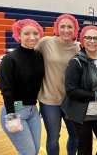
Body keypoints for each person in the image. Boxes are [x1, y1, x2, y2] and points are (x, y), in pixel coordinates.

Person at [62, 25, 97, 155]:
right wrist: (96, 96)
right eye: (88, 38)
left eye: (96, 38)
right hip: (82, 114)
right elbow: (71, 91)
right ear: (82, 40)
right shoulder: (76, 62)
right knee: (85, 149)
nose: (92, 41)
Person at [0, 19, 45, 154]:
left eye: (35, 33)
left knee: (34, 150)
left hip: (32, 111)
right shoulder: (10, 59)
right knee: (28, 152)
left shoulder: (39, 56)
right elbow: (6, 90)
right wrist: (11, 116)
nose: (32, 37)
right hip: (14, 110)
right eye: (27, 33)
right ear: (19, 35)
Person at [36, 14, 80, 155]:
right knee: (53, 138)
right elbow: (28, 56)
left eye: (69, 27)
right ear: (57, 28)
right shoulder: (45, 42)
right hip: (49, 100)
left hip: (71, 101)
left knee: (75, 136)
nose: (66, 30)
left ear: (75, 29)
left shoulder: (78, 48)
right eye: (62, 26)